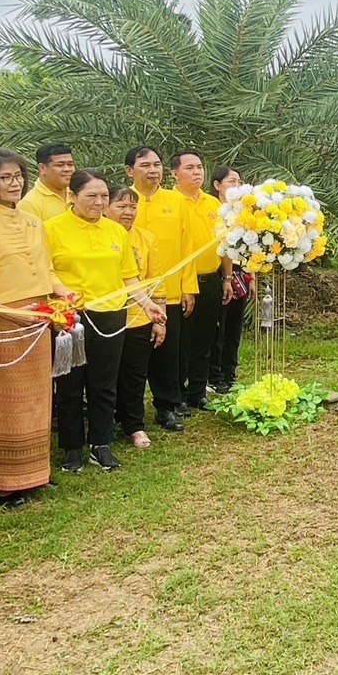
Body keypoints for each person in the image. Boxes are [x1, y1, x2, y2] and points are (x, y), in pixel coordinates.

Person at [0, 149, 65, 506]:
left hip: (37, 320)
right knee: (2, 405)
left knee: (36, 400)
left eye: (18, 176)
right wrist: (3, 310)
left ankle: (34, 474)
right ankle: (0, 483)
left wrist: (62, 291)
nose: (14, 183)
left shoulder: (34, 221)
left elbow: (46, 268)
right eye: (5, 177)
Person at [44, 170, 158, 472]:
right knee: (70, 384)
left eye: (104, 196)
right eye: (91, 196)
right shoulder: (51, 229)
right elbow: (44, 269)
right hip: (71, 318)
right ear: (73, 196)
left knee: (104, 383)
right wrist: (61, 290)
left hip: (111, 315)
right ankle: (72, 448)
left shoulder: (116, 232)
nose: (99, 202)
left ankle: (101, 443)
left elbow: (128, 277)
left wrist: (147, 304)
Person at [125, 147, 197, 433]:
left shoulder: (175, 201)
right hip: (128, 293)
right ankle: (127, 412)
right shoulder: (123, 200)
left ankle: (167, 407)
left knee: (167, 353)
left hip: (168, 292)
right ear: (130, 171)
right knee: (131, 357)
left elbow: (188, 247)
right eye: (145, 165)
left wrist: (188, 287)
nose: (153, 170)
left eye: (157, 164)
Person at [107, 186, 166, 449]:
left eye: (132, 206)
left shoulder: (147, 238)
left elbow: (156, 281)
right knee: (105, 374)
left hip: (139, 317)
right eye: (121, 206)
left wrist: (158, 319)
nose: (128, 212)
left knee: (134, 374)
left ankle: (134, 425)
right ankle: (105, 423)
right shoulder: (101, 237)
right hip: (105, 318)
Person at [172, 151, 224, 410]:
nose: (197, 172)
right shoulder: (170, 203)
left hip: (211, 279)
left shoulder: (213, 204)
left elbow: (224, 244)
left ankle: (198, 391)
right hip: (182, 285)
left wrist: (226, 279)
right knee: (182, 341)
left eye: (200, 167)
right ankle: (177, 394)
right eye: (190, 168)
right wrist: (184, 287)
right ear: (174, 174)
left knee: (206, 338)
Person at [210, 166, 250, 393]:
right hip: (220, 273)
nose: (237, 186)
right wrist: (226, 277)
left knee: (234, 327)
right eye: (231, 181)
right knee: (219, 327)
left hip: (240, 274)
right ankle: (214, 376)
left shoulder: (244, 213)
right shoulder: (213, 210)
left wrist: (251, 277)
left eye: (239, 181)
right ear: (217, 186)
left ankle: (229, 372)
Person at [20, 144, 76, 223]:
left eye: (70, 164)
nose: (67, 169)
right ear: (42, 168)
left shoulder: (78, 193)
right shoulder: (30, 204)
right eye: (60, 165)